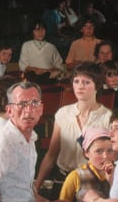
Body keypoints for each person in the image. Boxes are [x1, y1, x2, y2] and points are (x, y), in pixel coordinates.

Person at [35, 63, 111, 195]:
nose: (80, 86)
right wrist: (37, 186)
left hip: (93, 182)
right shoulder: (63, 113)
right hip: (62, 179)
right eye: (76, 81)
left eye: (86, 82)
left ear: (97, 86)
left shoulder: (108, 117)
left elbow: (110, 159)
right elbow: (51, 154)